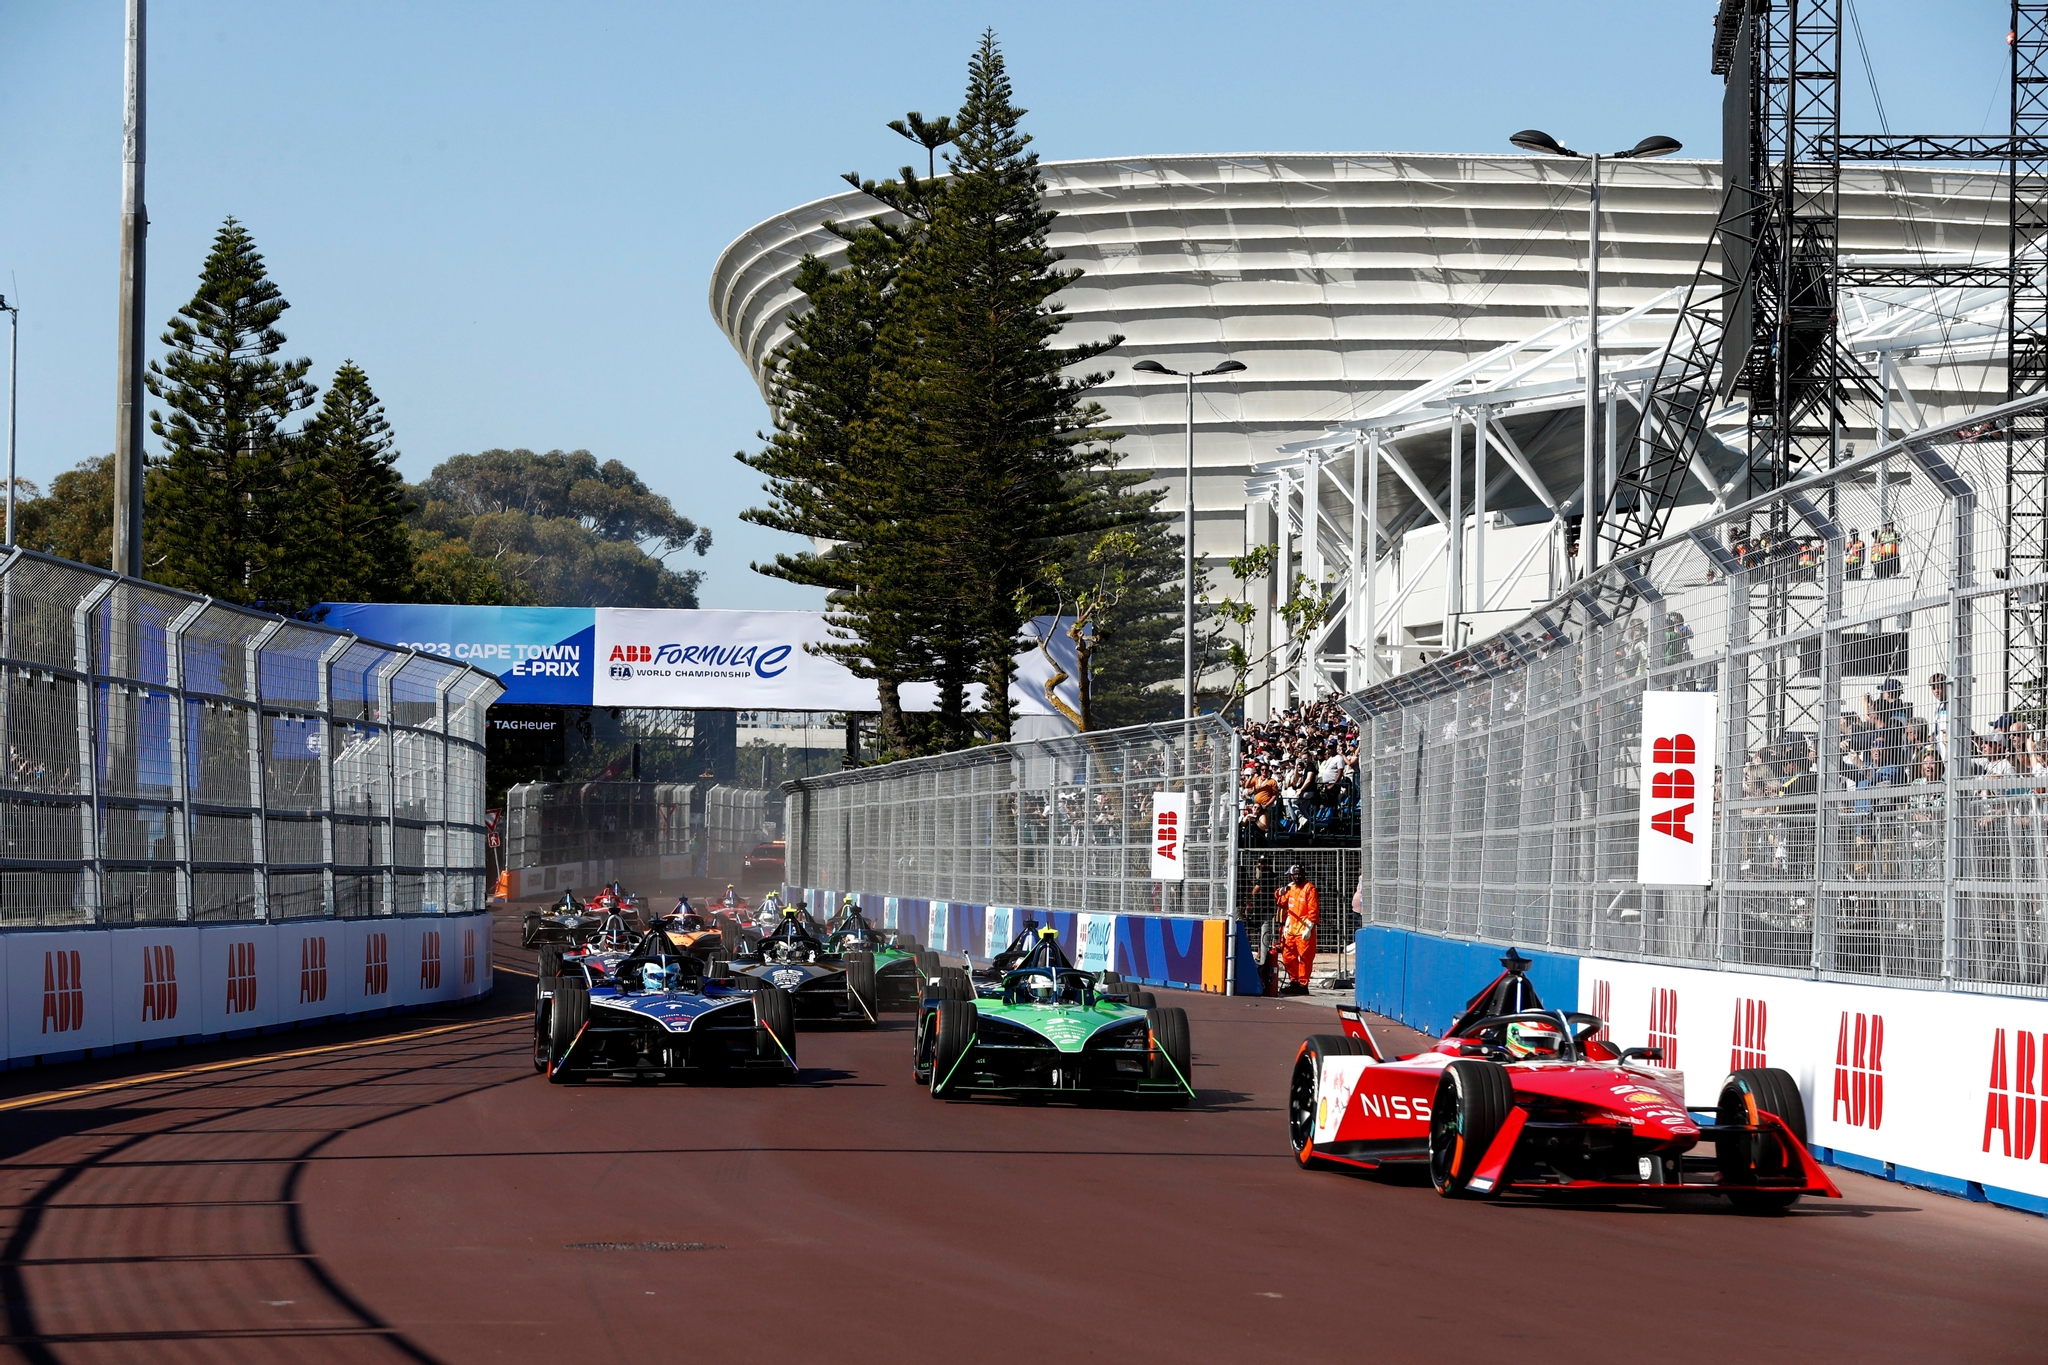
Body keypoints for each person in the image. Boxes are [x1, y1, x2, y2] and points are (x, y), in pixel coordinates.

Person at [1273, 864, 1320, 995]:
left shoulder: (1309, 888)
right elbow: (1281, 902)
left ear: (1304, 875)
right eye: (1295, 874)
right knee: (1288, 957)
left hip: (1304, 928)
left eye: (1300, 874)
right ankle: (1294, 982)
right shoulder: (1291, 887)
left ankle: (1302, 985)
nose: (1297, 876)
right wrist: (1279, 891)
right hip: (1292, 928)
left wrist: (1309, 926)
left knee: (1305, 958)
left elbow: (1313, 909)